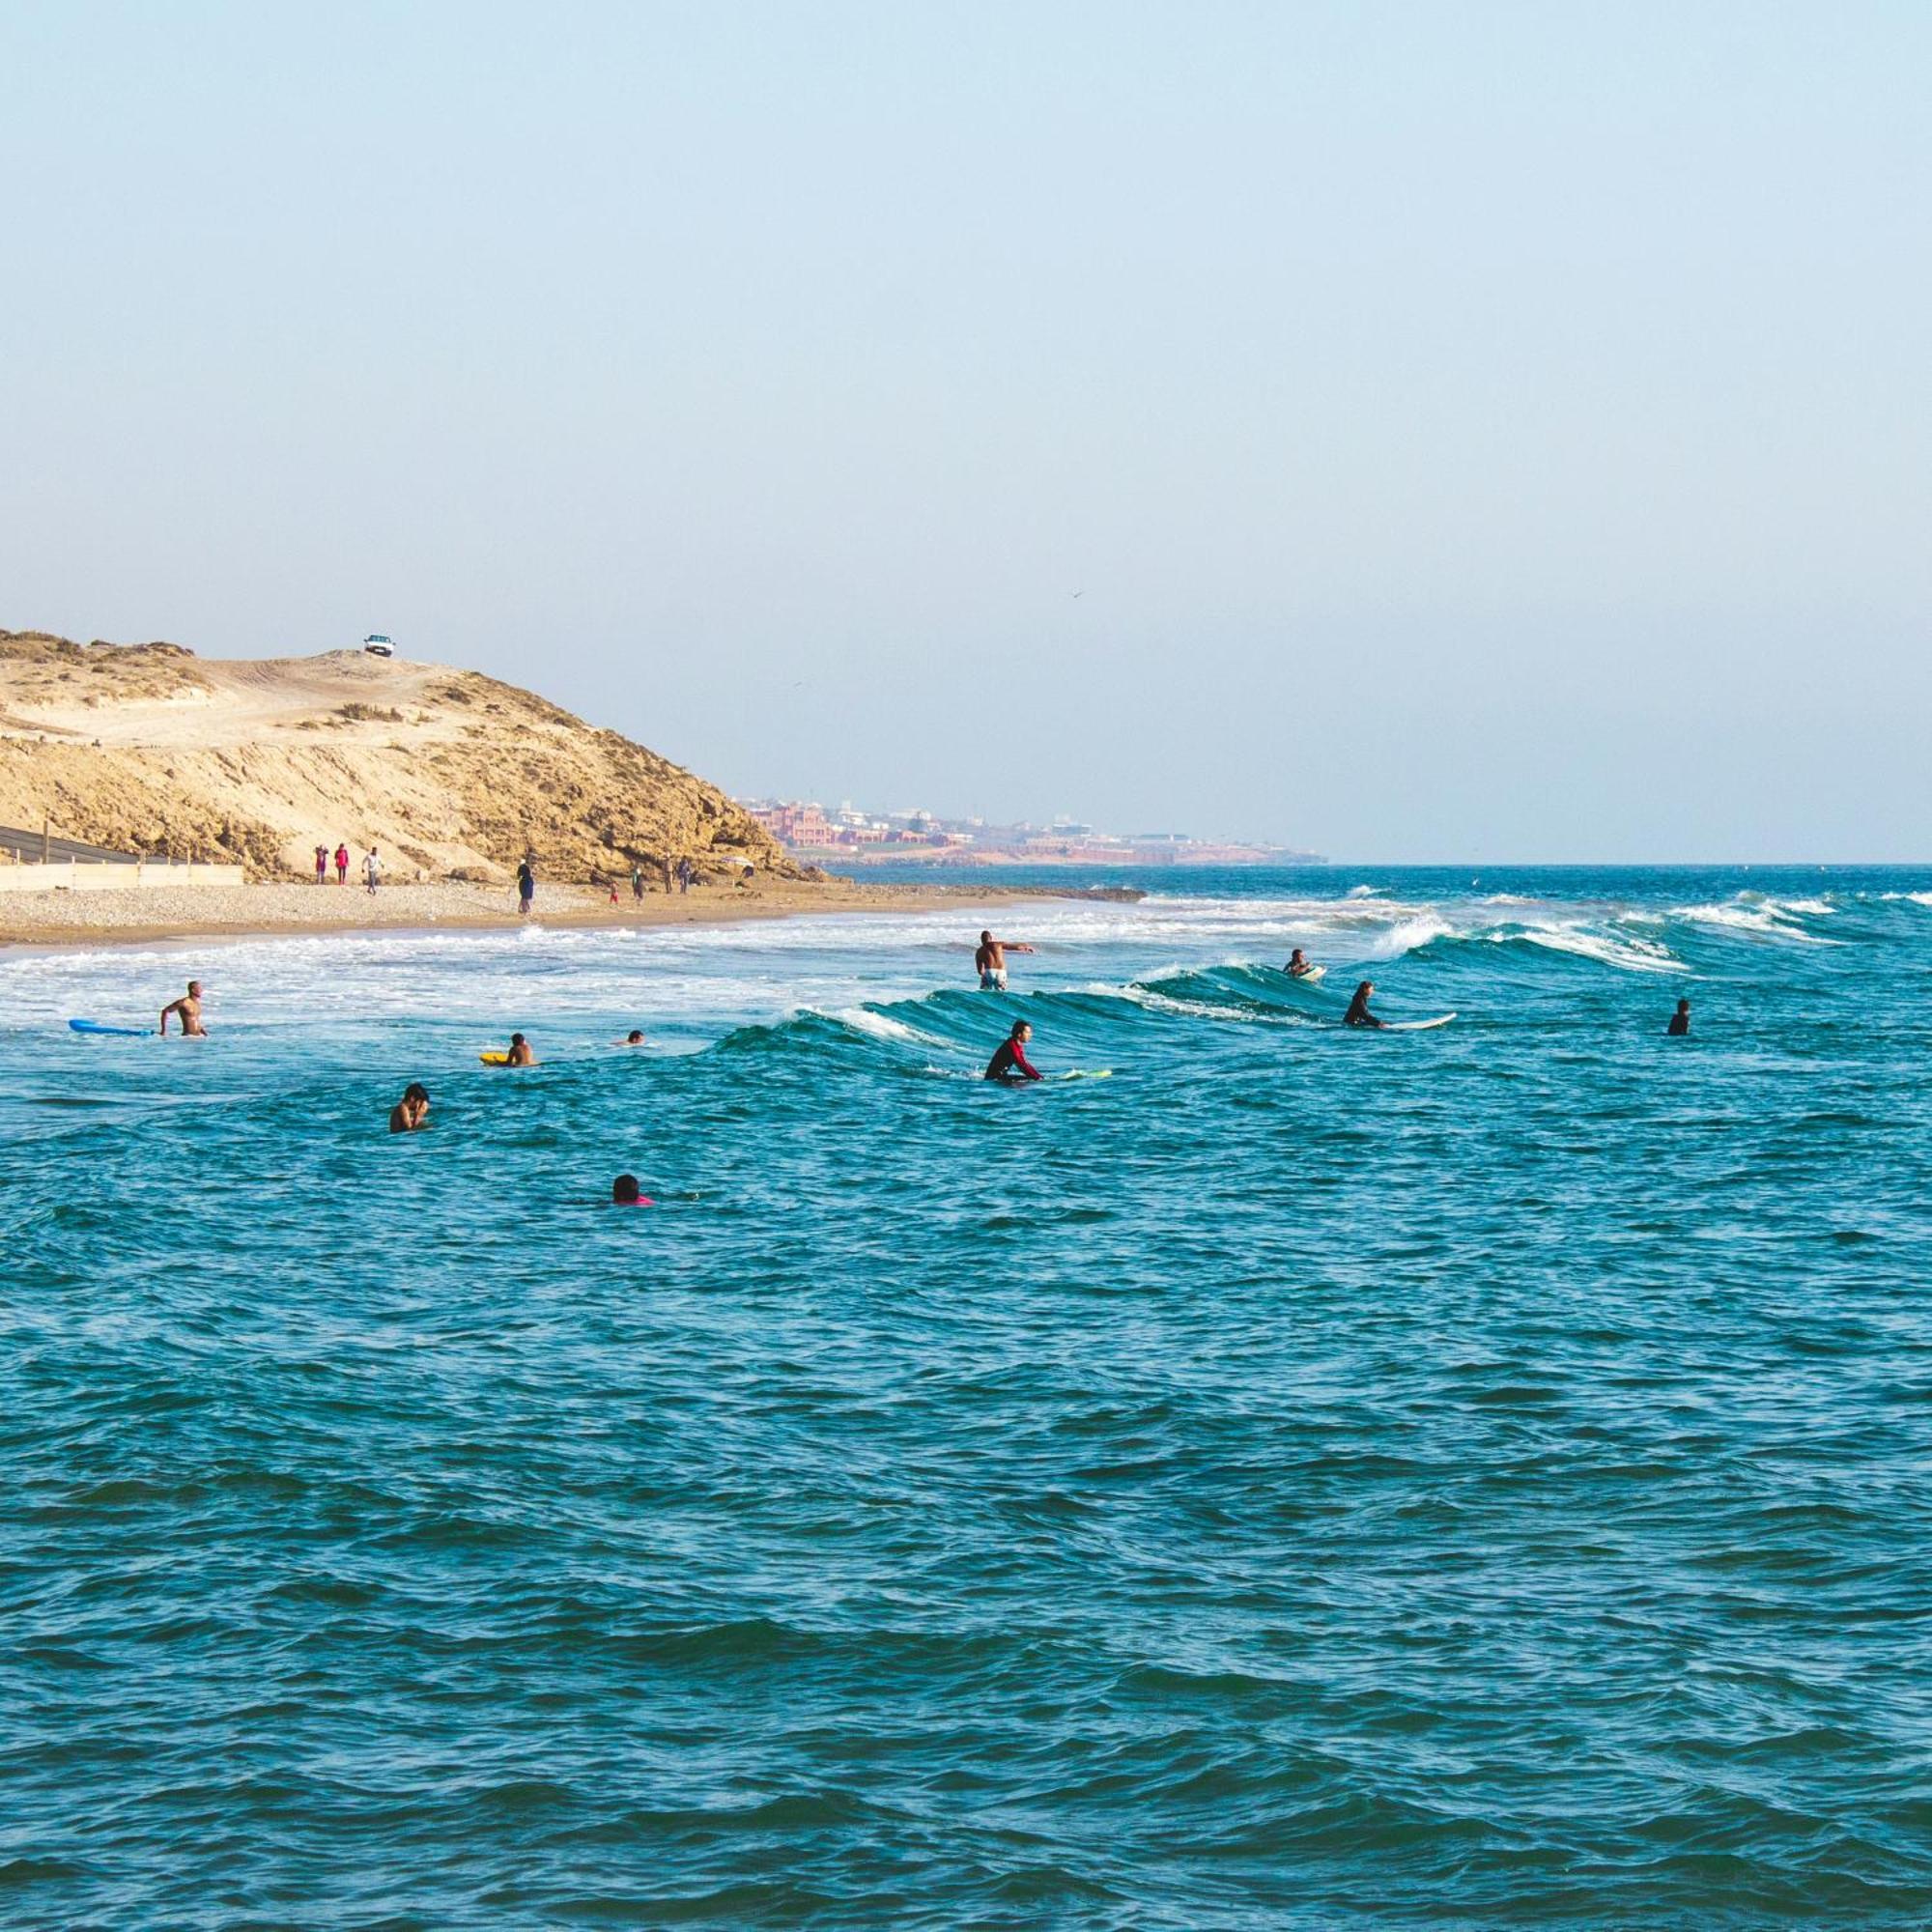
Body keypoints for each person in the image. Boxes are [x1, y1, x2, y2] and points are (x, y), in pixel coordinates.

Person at [985, 1018, 1043, 1083]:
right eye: (1027, 1032)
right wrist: (1038, 1078)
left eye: (1030, 1032)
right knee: (1028, 1082)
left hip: (998, 1077)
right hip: (994, 1079)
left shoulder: (1016, 1043)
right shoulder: (1012, 1046)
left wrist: (1039, 1077)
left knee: (1028, 1081)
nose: (1030, 1035)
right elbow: (1021, 1065)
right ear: (1019, 1034)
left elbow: (1025, 1064)